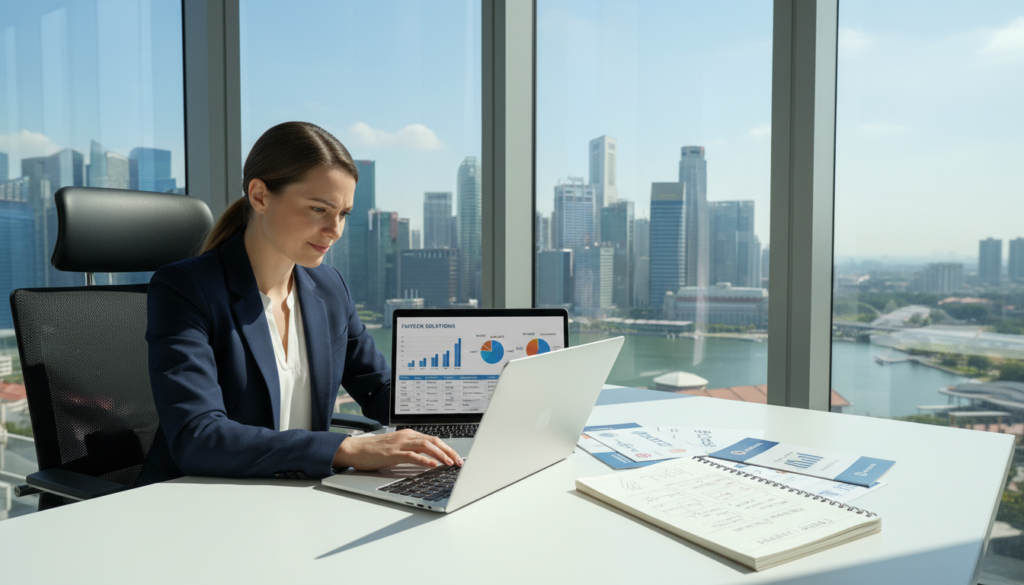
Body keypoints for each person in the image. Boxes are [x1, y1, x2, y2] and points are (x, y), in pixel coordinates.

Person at [137, 121, 461, 487]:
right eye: (318, 209)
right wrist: (346, 449)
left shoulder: (329, 288)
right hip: (202, 500)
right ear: (260, 196)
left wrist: (473, 412)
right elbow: (199, 436)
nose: (335, 230)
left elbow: (378, 389)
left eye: (343, 214)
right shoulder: (186, 288)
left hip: (301, 497)